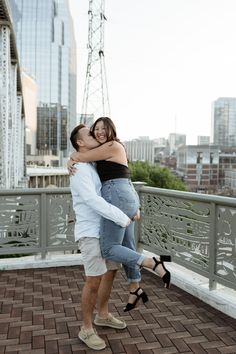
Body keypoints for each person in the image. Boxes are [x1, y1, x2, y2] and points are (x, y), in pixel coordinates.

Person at [69, 117, 171, 313]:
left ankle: (151, 262)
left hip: (117, 199)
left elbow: (80, 157)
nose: (97, 132)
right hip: (124, 197)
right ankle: (134, 287)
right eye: (94, 130)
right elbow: (124, 174)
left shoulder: (111, 145)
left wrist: (72, 158)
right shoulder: (101, 154)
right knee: (127, 245)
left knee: (109, 249)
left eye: (101, 129)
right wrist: (134, 205)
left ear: (111, 129)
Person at [70, 124, 136, 351]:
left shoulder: (94, 164)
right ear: (80, 142)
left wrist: (131, 209)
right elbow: (92, 200)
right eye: (89, 133)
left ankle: (103, 315)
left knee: (110, 272)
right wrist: (122, 218)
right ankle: (86, 328)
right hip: (90, 231)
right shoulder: (79, 169)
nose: (95, 135)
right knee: (94, 279)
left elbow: (118, 182)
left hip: (105, 228)